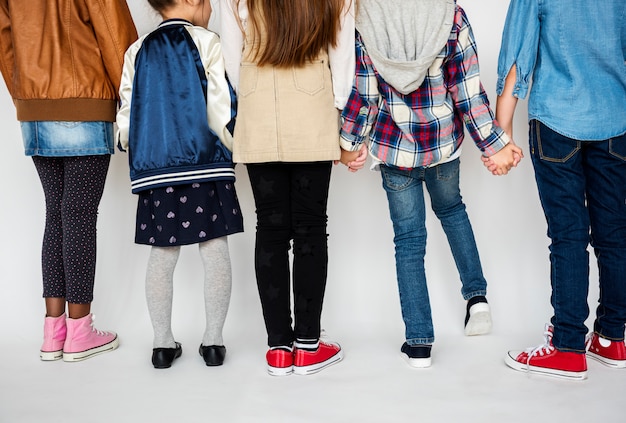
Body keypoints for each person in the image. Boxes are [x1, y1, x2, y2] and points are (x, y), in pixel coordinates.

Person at [339, 0, 522, 368]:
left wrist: (347, 144)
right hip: (442, 145)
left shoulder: (366, 15)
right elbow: (467, 90)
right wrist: (495, 144)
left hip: (394, 150)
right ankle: (477, 299)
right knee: (453, 212)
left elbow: (365, 95)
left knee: (408, 241)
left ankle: (419, 343)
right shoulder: (448, 12)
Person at [488, 0, 626, 380]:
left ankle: (567, 345)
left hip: (557, 121)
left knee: (568, 236)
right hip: (615, 118)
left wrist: (502, 133)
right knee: (614, 235)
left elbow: (518, 53)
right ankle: (613, 337)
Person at [219, 0, 356, 376]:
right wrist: (340, 115)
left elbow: (232, 59)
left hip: (257, 106)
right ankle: (309, 345)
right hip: (313, 105)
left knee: (271, 229)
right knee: (311, 227)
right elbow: (343, 58)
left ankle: (279, 348)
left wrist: (254, 89)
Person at [0, 0, 137, 362]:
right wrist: (131, 95)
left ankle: (53, 331)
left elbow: (5, 37)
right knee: (78, 215)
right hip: (85, 100)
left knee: (56, 214)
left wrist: (24, 96)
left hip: (33, 105)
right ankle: (80, 331)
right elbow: (115, 34)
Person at [116, 0, 243, 369]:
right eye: (207, 3)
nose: (211, 11)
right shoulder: (208, 42)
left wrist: (130, 143)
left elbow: (126, 112)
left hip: (157, 170)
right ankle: (214, 343)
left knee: (162, 253)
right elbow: (221, 105)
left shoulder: (137, 50)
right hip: (205, 164)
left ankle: (161, 345)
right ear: (191, 2)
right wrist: (234, 144)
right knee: (214, 246)